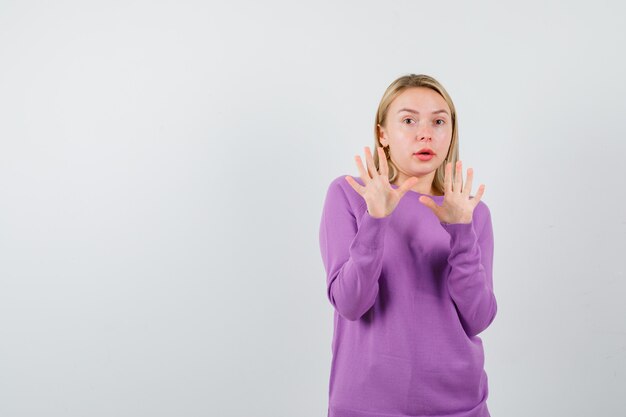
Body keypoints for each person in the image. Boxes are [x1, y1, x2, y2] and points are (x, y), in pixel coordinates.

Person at [318, 74, 497, 417]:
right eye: (409, 120)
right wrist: (376, 219)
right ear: (383, 133)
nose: (425, 133)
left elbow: (478, 317)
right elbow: (350, 303)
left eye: (439, 121)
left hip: (459, 405)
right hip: (366, 405)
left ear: (450, 134)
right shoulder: (349, 195)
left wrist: (461, 229)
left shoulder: (471, 211)